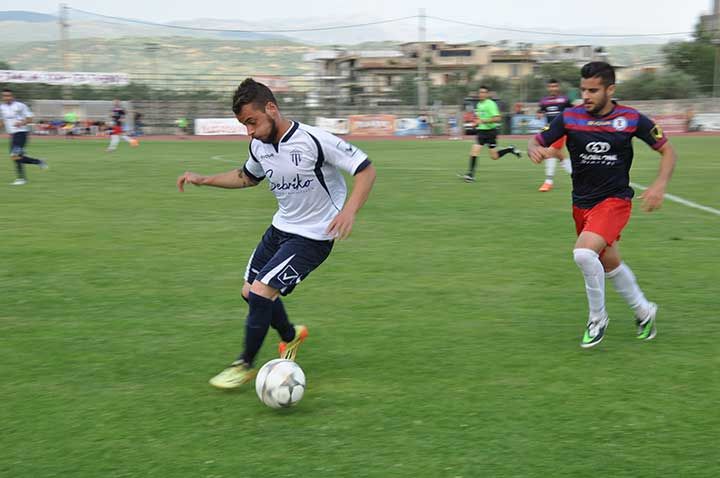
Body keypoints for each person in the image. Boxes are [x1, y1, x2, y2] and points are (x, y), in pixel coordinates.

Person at [177, 78, 376, 389]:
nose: (249, 131)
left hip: (313, 236)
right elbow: (246, 177)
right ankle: (290, 335)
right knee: (250, 293)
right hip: (280, 229)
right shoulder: (259, 145)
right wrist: (204, 180)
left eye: (252, 122)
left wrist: (349, 210)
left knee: (260, 294)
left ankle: (244, 364)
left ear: (271, 108)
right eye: (244, 125)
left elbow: (365, 168)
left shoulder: (314, 140)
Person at [528, 62, 677, 349]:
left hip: (614, 201)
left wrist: (659, 185)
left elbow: (668, 151)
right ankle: (644, 311)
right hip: (581, 203)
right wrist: (535, 149)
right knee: (609, 262)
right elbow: (536, 141)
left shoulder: (631, 118)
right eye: (583, 89)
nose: (586, 96)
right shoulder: (569, 117)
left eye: (593, 90)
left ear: (610, 90)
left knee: (584, 254)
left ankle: (597, 319)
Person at [462, 86, 521, 183]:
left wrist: (483, 121)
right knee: (474, 151)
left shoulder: (490, 104)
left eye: (484, 92)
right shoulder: (479, 105)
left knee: (494, 157)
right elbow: (480, 118)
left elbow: (497, 118)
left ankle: (510, 149)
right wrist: (476, 123)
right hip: (481, 132)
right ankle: (470, 174)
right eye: (480, 92)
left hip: (491, 132)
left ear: (487, 94)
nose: (481, 94)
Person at [0, 88, 48, 185]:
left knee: (15, 155)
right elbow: (1, 122)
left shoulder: (20, 105)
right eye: (4, 96)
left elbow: (30, 119)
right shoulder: (1, 108)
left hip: (21, 133)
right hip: (13, 135)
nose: (6, 97)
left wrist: (21, 123)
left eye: (8, 95)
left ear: (12, 96)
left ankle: (21, 179)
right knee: (16, 157)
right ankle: (38, 162)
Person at [536, 79, 574, 192]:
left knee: (549, 152)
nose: (553, 88)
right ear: (548, 88)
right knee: (559, 155)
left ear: (558, 87)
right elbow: (541, 111)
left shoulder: (564, 100)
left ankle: (548, 182)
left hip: (561, 131)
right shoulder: (544, 101)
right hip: (549, 130)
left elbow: (573, 111)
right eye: (551, 86)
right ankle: (577, 175)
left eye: (555, 86)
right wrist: (539, 114)